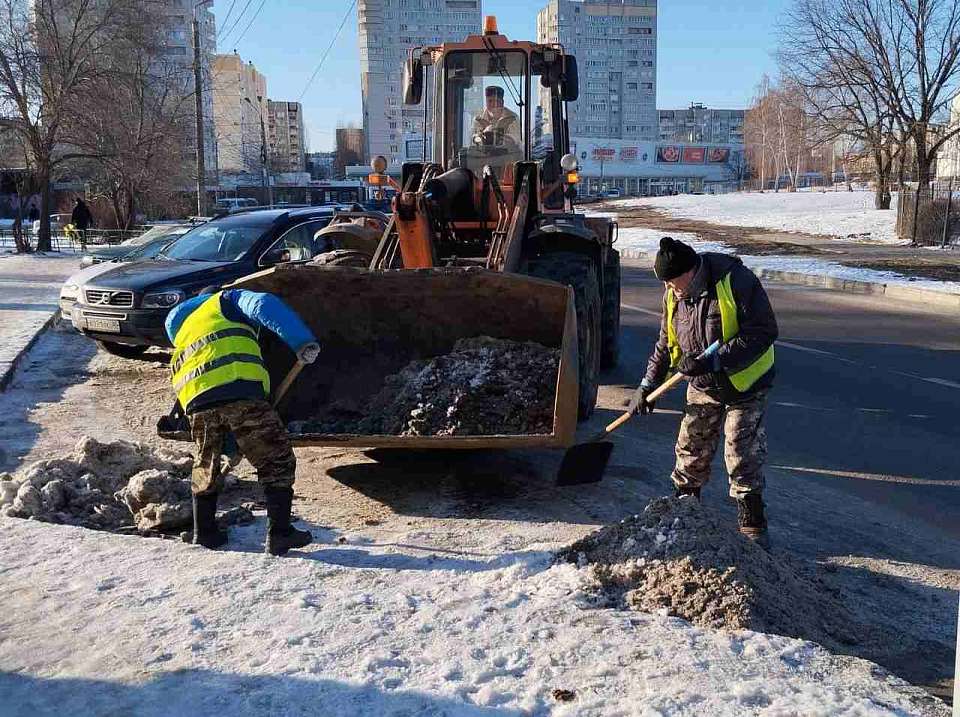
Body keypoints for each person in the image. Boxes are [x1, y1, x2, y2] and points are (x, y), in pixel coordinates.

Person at [629, 237, 778, 546]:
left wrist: (715, 359)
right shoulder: (675, 295)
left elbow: (764, 332)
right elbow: (665, 343)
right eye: (666, 284)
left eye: (672, 282)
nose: (669, 289)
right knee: (691, 448)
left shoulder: (735, 280)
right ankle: (685, 513)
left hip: (744, 383)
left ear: (690, 271)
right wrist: (646, 385)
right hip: (703, 384)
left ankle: (753, 525)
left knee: (740, 452)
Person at [165, 286, 321, 555]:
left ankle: (204, 533)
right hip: (238, 390)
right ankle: (281, 534)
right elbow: (264, 304)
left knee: (207, 465)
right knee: (277, 459)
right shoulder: (226, 300)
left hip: (197, 402)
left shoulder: (185, 328)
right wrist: (301, 341)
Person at [471, 86, 521, 151]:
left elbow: (515, 140)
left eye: (497, 101)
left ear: (502, 102)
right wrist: (481, 137)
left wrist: (499, 137)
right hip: (482, 156)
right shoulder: (478, 119)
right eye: (490, 101)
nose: (494, 104)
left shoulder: (513, 118)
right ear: (486, 102)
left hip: (506, 156)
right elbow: (473, 140)